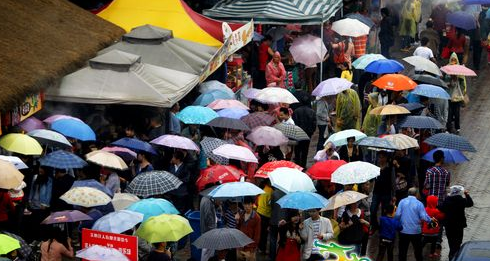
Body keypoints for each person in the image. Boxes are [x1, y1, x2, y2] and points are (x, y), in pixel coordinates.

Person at [394, 187, 433, 261]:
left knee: (402, 251)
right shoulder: (419, 204)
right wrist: (431, 221)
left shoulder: (402, 202)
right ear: (416, 194)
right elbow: (423, 216)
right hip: (416, 232)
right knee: (418, 251)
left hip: (403, 231)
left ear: (408, 193)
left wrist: (396, 223)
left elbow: (397, 215)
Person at [439, 186, 474, 260]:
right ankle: (455, 256)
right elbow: (470, 203)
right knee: (458, 242)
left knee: (451, 242)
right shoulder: (462, 200)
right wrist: (467, 194)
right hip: (459, 225)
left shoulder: (447, 200)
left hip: (449, 225)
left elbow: (441, 208)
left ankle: (452, 255)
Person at [370, 151, 394, 230]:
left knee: (385, 211)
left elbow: (393, 181)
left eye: (382, 157)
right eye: (379, 157)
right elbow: (372, 179)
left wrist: (393, 195)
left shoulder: (390, 167)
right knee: (373, 210)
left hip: (386, 193)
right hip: (376, 192)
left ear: (386, 158)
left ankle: (383, 228)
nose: (381, 159)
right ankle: (375, 226)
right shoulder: (375, 167)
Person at [292, 96, 316, 168]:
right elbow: (314, 123)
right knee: (305, 150)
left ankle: (297, 164)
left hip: (297, 133)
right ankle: (303, 165)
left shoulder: (296, 111)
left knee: (297, 149)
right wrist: (312, 132)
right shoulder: (311, 111)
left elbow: (294, 123)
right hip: (307, 134)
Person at [200, 194, 219, 261]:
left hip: (207, 230)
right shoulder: (207, 201)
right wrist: (213, 230)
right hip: (209, 231)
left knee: (208, 252)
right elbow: (208, 216)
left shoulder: (205, 198)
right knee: (207, 253)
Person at [256, 179, 272, 254]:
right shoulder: (270, 192)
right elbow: (270, 204)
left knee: (259, 231)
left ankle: (258, 247)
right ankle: (262, 248)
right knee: (264, 233)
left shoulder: (262, 189)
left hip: (259, 212)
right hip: (266, 215)